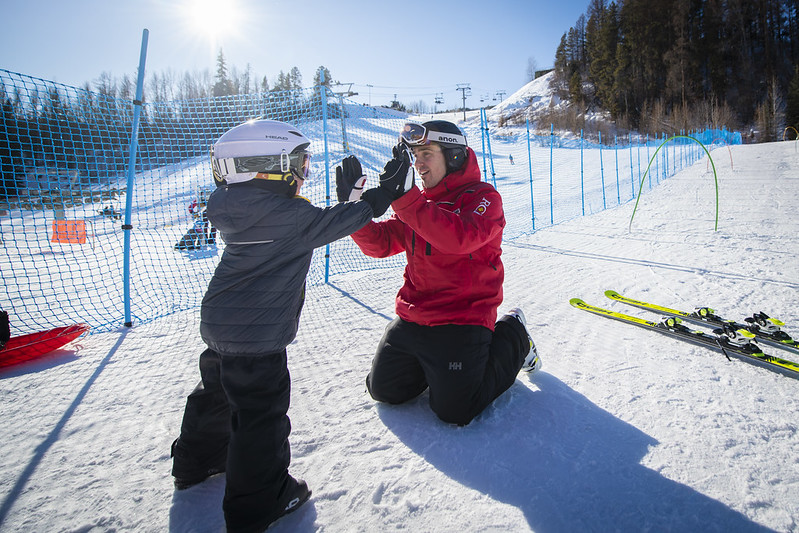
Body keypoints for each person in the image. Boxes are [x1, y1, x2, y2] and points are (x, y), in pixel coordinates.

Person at [170, 119, 399, 532]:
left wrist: (345, 201)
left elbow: (310, 220)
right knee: (260, 415)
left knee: (218, 392)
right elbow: (330, 224)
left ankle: (195, 460)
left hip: (221, 321)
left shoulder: (231, 205)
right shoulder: (292, 215)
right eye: (298, 163)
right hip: (258, 337)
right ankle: (260, 502)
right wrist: (380, 196)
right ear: (265, 165)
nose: (302, 172)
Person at [336, 120, 541, 427]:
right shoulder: (418, 204)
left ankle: (514, 334)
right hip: (415, 315)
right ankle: (436, 367)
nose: (417, 164)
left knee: (456, 410)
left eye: (426, 154)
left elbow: (459, 238)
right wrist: (353, 211)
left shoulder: (483, 199)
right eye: (415, 155)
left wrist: (407, 199)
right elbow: (381, 244)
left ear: (454, 156)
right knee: (384, 390)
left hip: (463, 318)